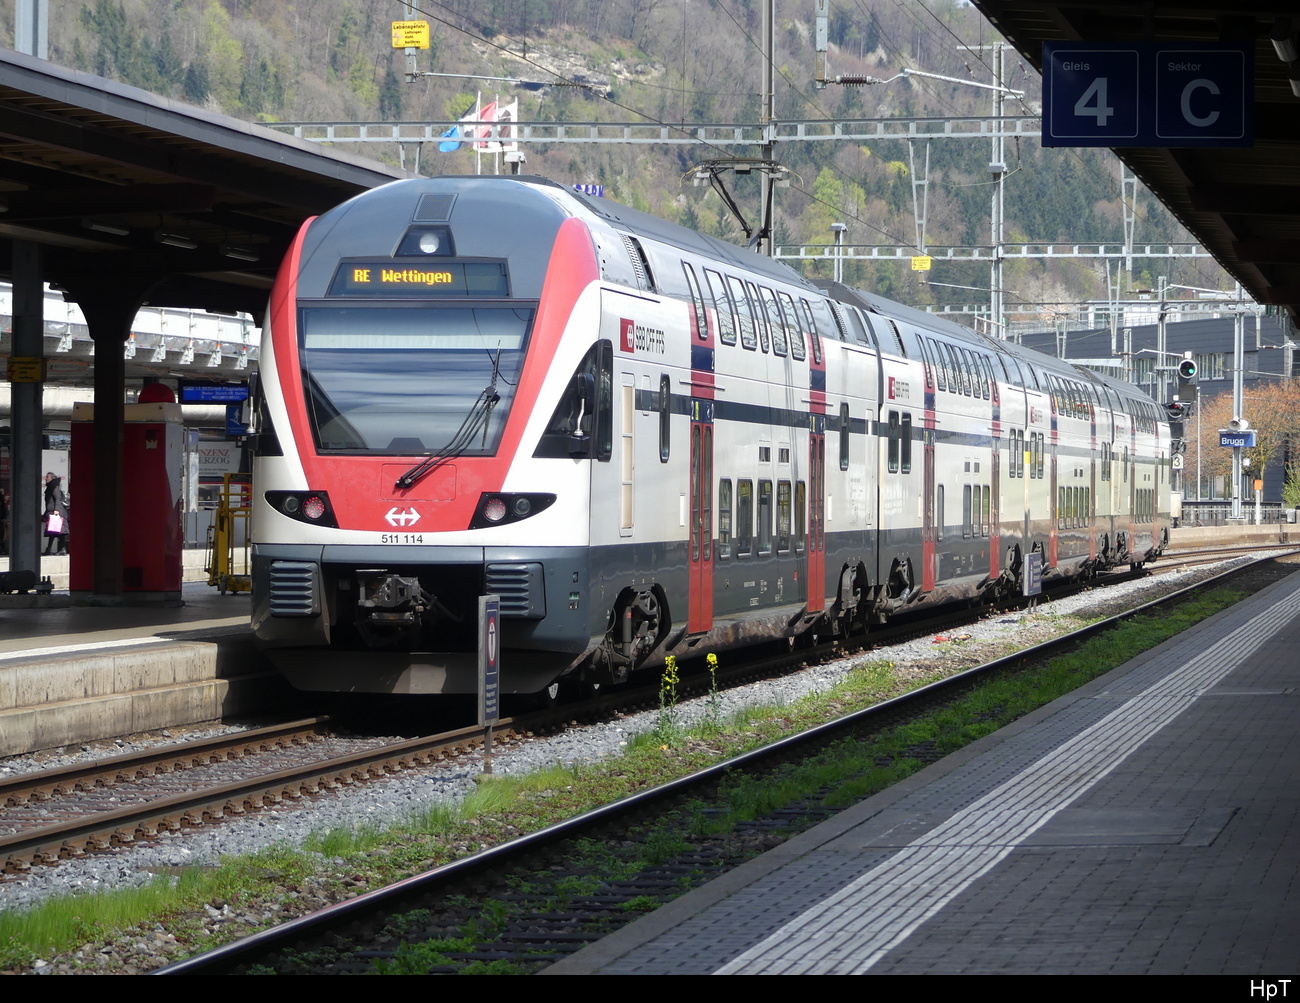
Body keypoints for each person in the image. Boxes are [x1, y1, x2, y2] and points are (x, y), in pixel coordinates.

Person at [43, 472, 68, 556]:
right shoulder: (50, 487)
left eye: (47, 477)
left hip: (56, 512)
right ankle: (60, 549)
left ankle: (54, 549)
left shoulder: (53, 487)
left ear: (52, 478)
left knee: (55, 531)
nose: (46, 478)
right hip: (53, 511)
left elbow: (57, 498)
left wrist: (56, 510)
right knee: (55, 531)